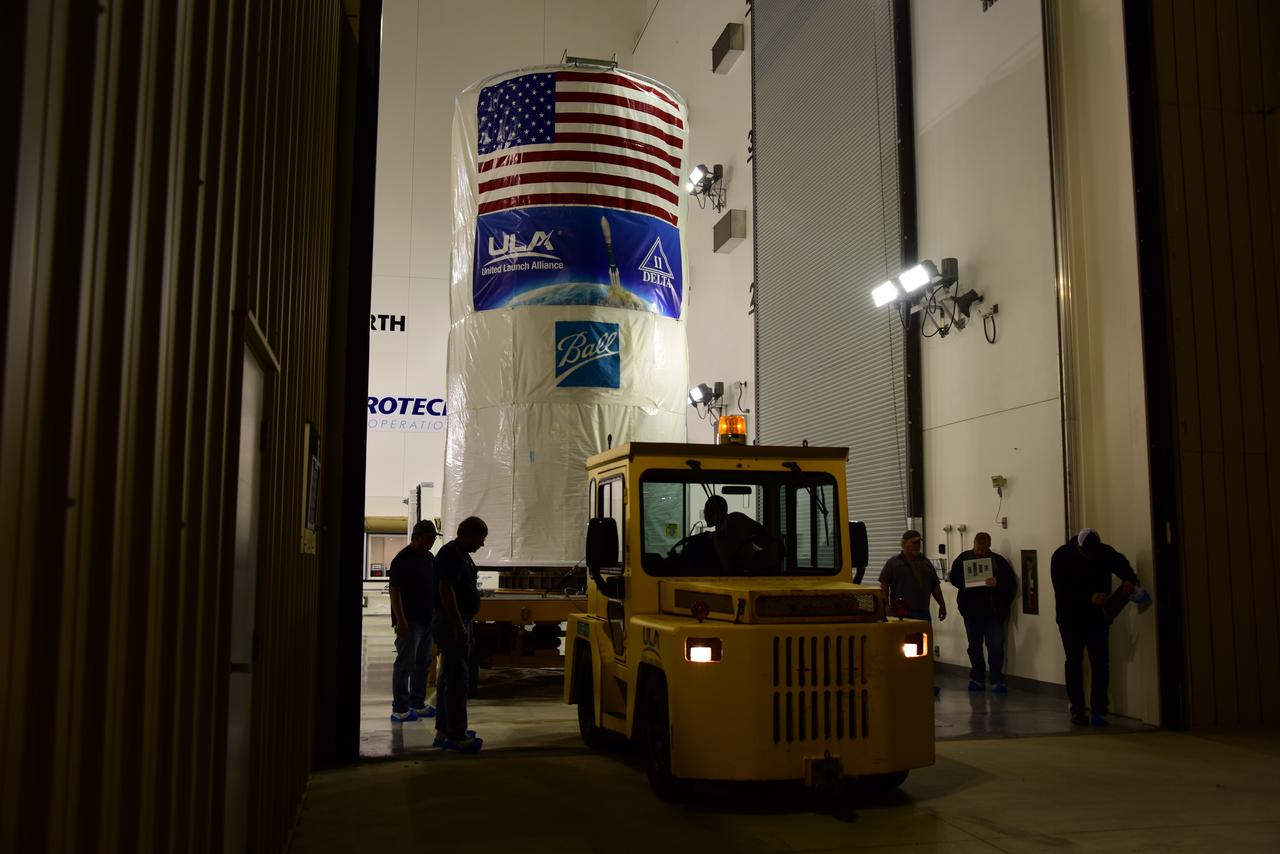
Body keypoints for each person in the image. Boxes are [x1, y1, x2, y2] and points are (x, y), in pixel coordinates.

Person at [1050, 528, 1138, 727]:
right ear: (1078, 546)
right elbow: (1061, 589)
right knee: (1074, 662)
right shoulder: (1061, 556)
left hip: (1098, 617)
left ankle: (1099, 709)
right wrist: (1088, 597)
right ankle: (1078, 709)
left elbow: (1123, 566)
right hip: (1070, 618)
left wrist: (1129, 580)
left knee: (1100, 662)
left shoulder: (1105, 552)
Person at [432, 516, 488, 752]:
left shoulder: (460, 554)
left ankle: (446, 729)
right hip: (451, 622)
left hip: (456, 620)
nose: (482, 545)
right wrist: (458, 624)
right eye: (481, 539)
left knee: (447, 677)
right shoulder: (451, 554)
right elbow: (445, 589)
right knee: (457, 679)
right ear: (469, 534)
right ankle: (456, 735)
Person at [948, 532, 1017, 693]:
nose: (980, 552)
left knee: (996, 645)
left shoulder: (998, 562)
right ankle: (977, 677)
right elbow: (954, 577)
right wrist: (965, 582)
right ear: (974, 545)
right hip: (971, 611)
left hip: (992, 611)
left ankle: (996, 678)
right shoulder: (963, 559)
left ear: (989, 546)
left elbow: (1010, 582)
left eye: (983, 550)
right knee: (974, 645)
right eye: (978, 549)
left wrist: (997, 583)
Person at [880, 530, 946, 697]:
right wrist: (886, 606)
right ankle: (900, 683)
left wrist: (942, 605)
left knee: (924, 653)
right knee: (900, 652)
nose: (917, 545)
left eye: (919, 542)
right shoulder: (893, 564)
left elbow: (935, 586)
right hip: (902, 616)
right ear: (903, 544)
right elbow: (884, 585)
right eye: (913, 542)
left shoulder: (926, 564)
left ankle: (925, 683)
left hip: (923, 614)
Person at [389, 520, 440, 723]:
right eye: (429, 539)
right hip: (410, 622)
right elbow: (395, 591)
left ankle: (417, 703)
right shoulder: (402, 559)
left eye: (434, 539)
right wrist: (400, 620)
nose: (431, 543)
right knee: (405, 663)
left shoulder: (429, 558)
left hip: (427, 620)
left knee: (424, 662)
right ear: (417, 537)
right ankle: (400, 708)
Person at [703, 494, 773, 573]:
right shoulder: (720, 530)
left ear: (716, 512)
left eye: (706, 510)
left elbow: (763, 533)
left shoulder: (733, 519)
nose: (704, 513)